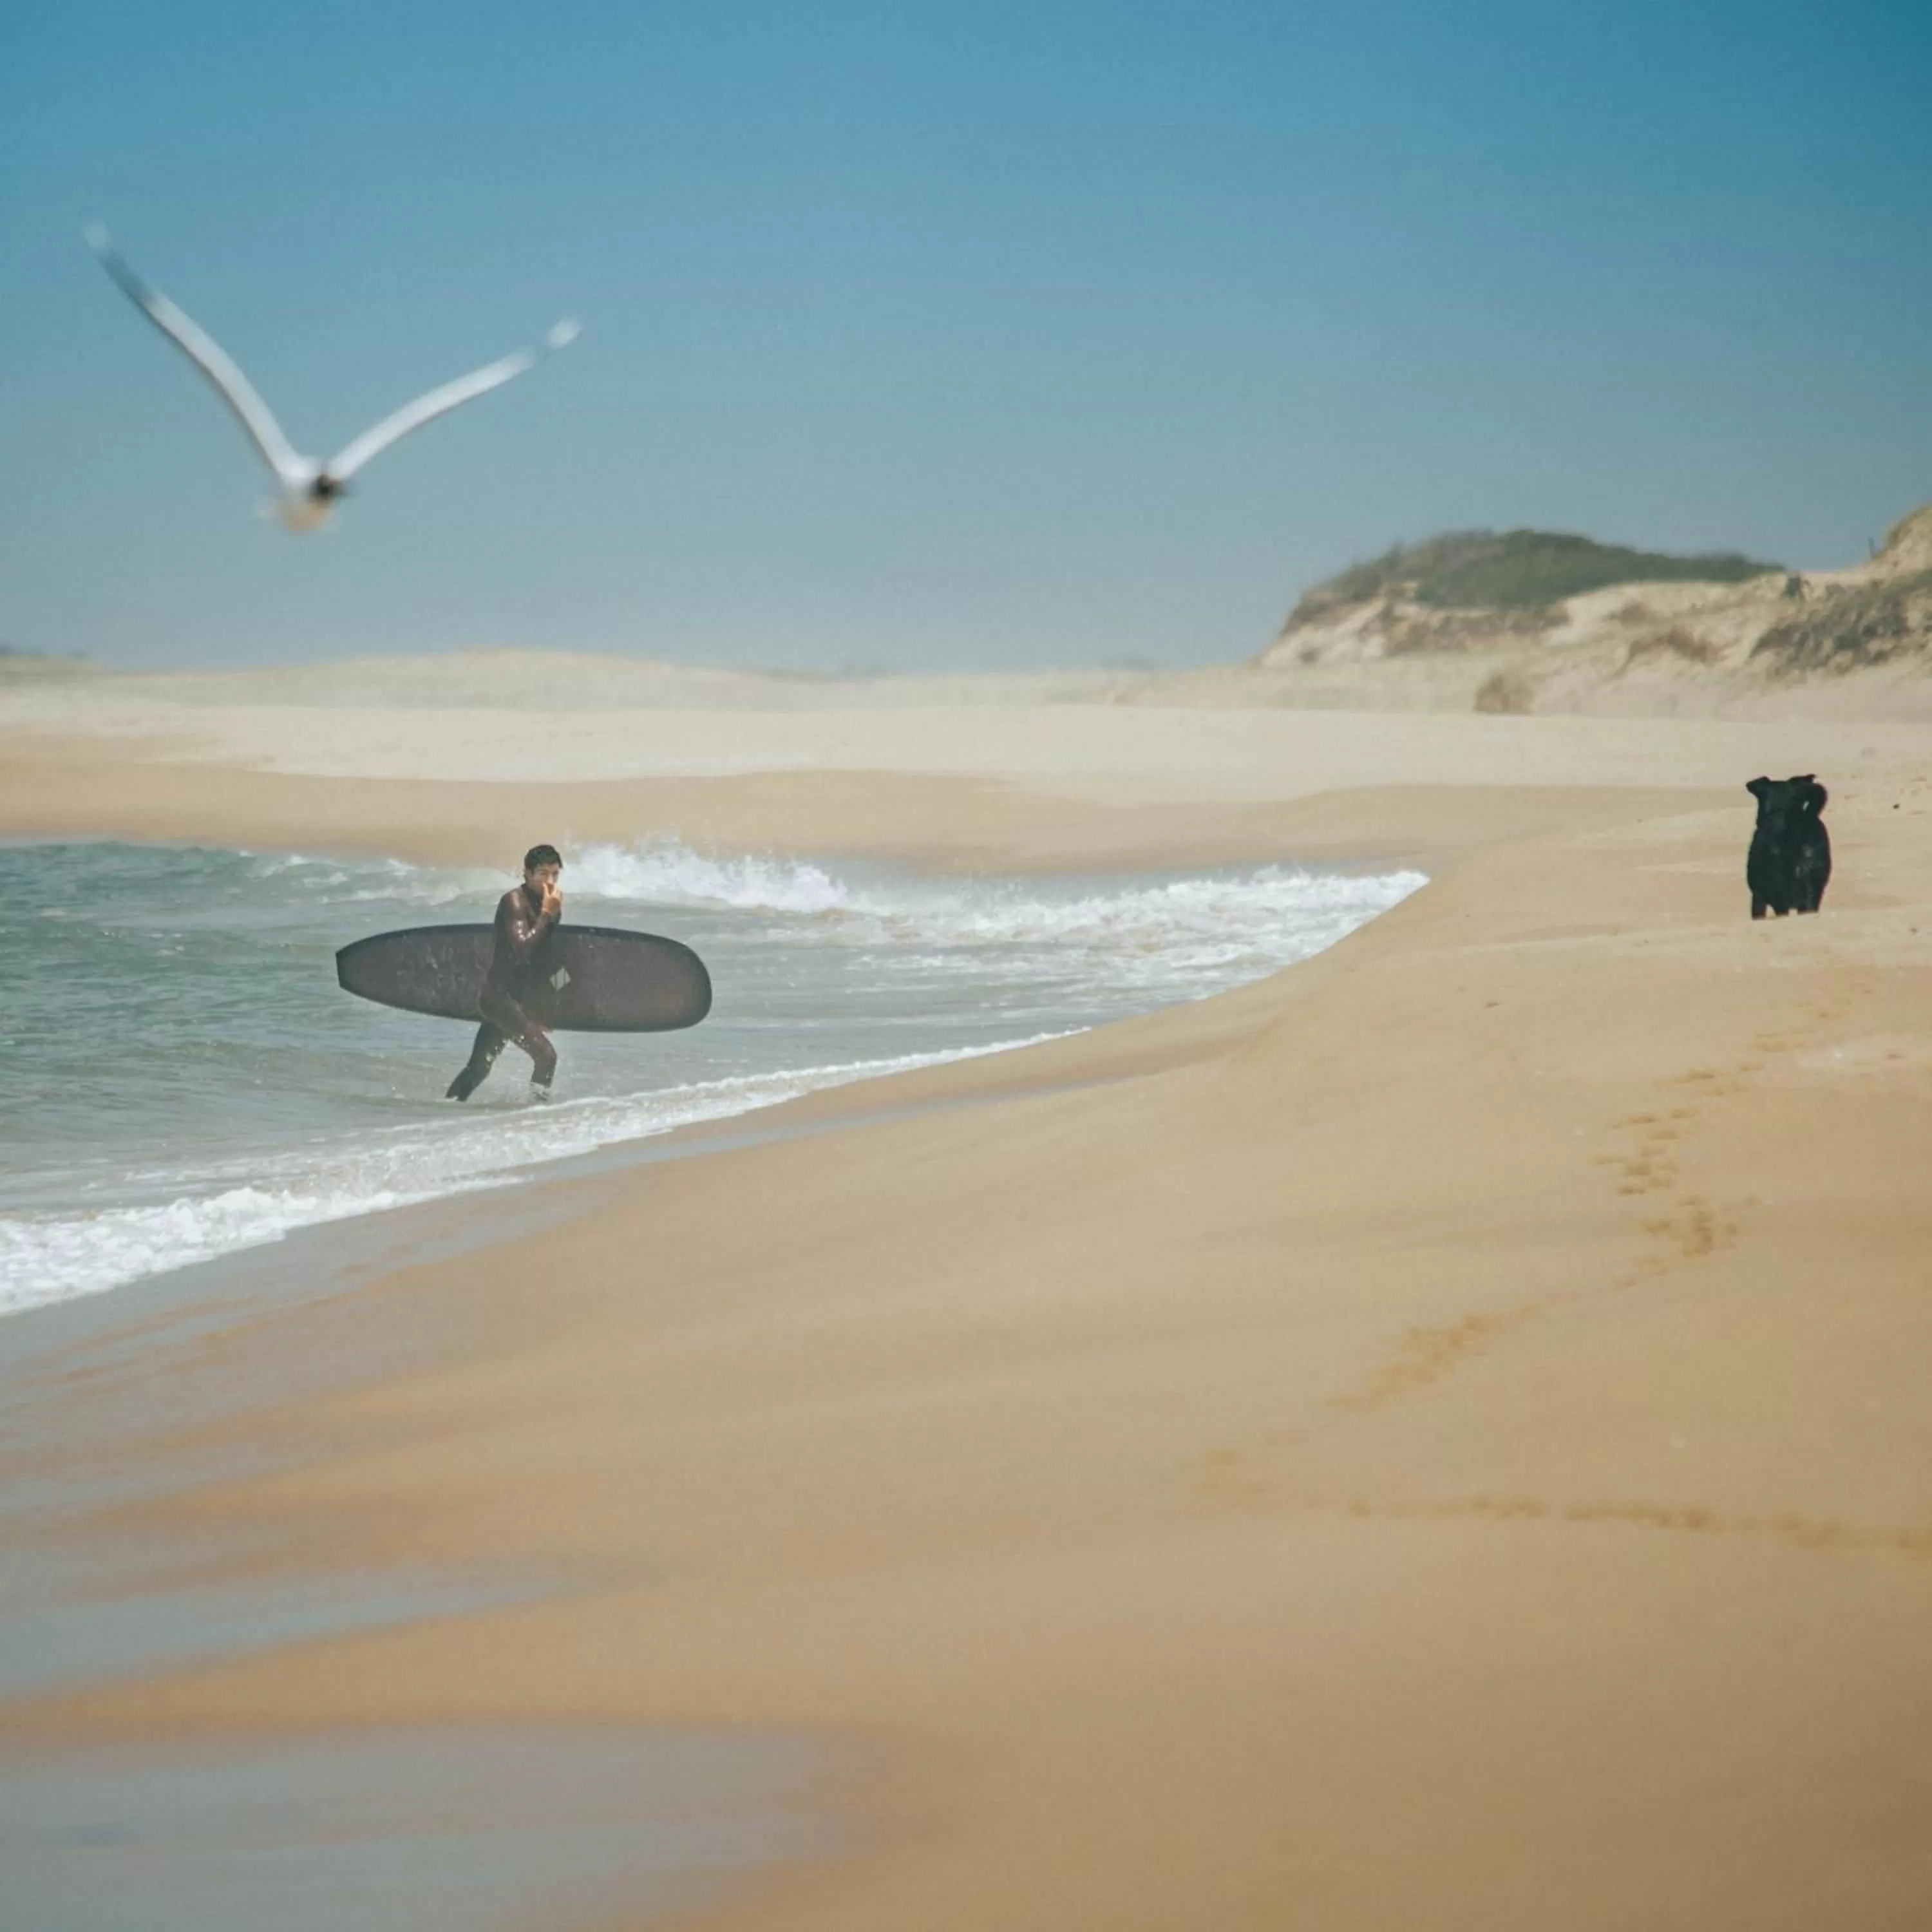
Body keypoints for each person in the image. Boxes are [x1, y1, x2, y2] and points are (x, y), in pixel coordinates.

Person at [446, 844, 565, 1101]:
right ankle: (538, 1113)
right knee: (547, 1056)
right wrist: (546, 915)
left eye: (555, 874)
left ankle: (445, 1108)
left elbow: (545, 960)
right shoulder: (514, 902)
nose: (550, 881)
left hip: (519, 1001)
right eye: (543, 874)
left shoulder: (551, 907)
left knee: (478, 1069)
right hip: (499, 1000)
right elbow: (522, 950)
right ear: (527, 873)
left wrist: (548, 1006)